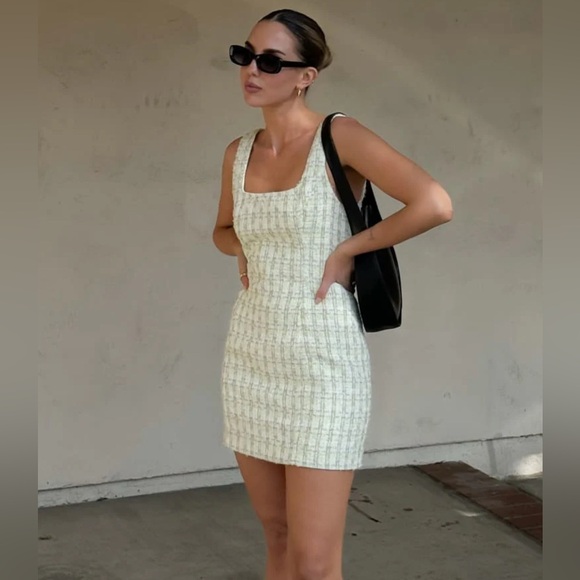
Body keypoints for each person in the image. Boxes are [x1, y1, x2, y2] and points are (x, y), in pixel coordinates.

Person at [212, 9, 453, 580]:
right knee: (277, 537)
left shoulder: (338, 136)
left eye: (271, 61)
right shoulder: (238, 152)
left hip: (323, 363)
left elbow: (434, 203)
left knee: (316, 562)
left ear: (306, 76)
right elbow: (222, 230)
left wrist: (348, 249)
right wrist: (243, 246)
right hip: (252, 354)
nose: (252, 70)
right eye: (245, 55)